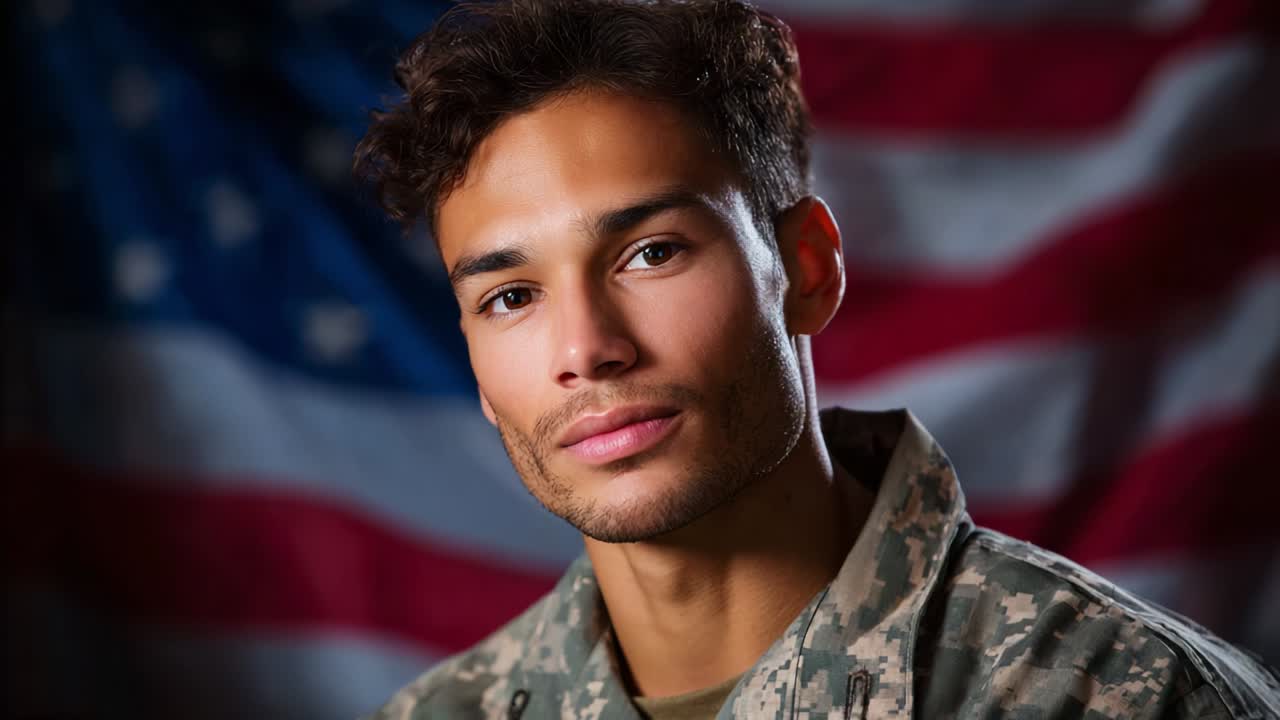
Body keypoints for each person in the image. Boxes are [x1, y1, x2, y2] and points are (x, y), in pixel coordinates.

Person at [352, 1, 1280, 717]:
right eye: (511, 298)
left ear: (805, 268)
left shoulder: (1126, 694)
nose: (587, 350)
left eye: (651, 253)